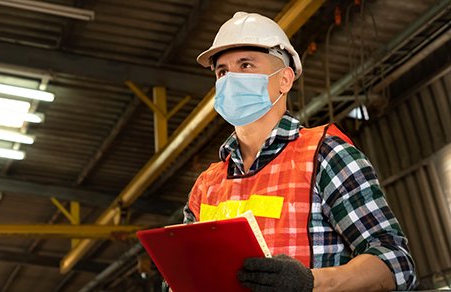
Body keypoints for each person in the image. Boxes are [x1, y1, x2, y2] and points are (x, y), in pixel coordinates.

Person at [164, 12, 417, 292]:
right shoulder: (206, 185)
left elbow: (396, 263)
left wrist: (310, 282)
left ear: (285, 80)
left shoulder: (326, 155)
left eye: (245, 64)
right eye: (222, 71)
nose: (230, 79)